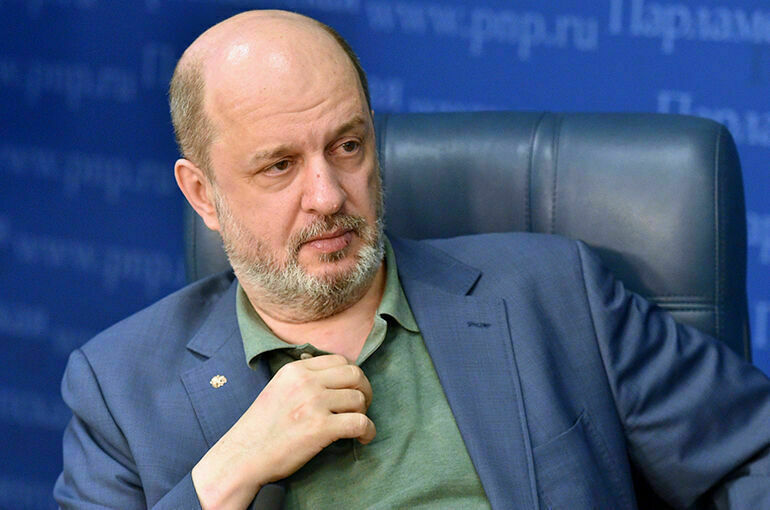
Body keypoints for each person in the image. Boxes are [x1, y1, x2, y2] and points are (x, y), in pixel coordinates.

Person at [54, 9, 770, 510]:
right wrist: (227, 474)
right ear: (203, 195)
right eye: (279, 166)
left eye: (348, 146)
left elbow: (752, 453)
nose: (328, 196)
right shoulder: (119, 389)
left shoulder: (555, 293)